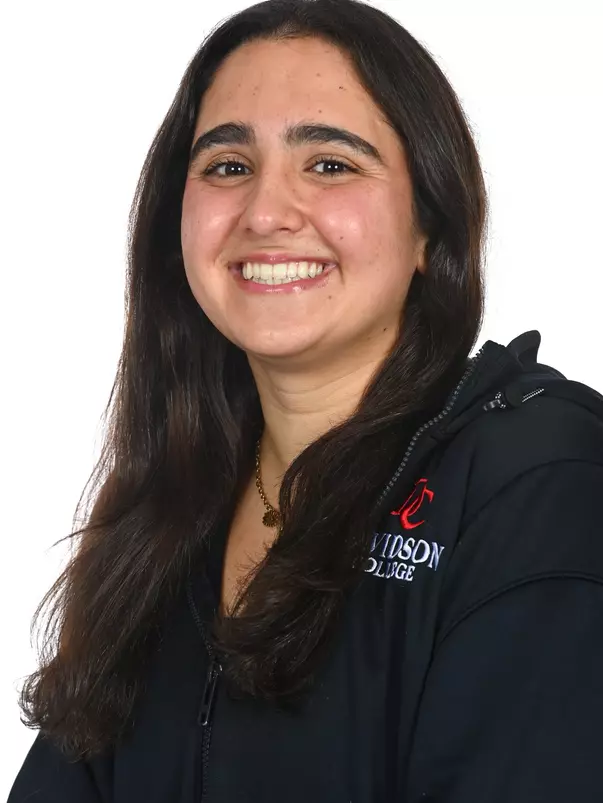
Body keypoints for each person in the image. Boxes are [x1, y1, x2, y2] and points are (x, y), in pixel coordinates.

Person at [8, 0, 603, 800]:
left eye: (329, 164)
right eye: (226, 165)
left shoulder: (536, 482)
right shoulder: (170, 503)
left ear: (431, 223)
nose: (265, 212)